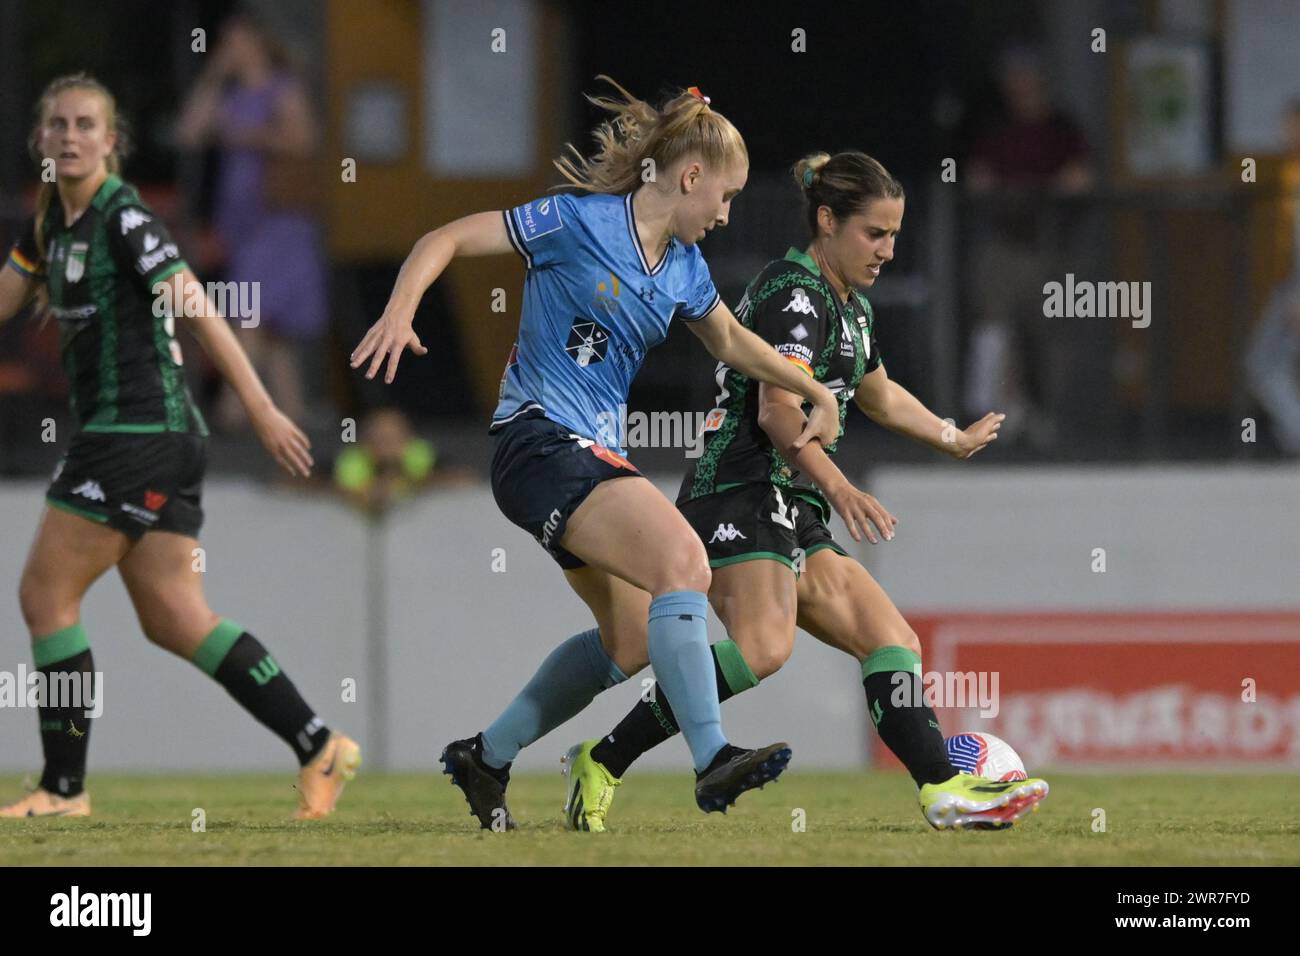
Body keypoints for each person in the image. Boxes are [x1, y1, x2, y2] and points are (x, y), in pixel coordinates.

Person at [350, 79, 842, 829]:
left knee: (633, 635)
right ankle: (711, 760)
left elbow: (736, 343)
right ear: (690, 177)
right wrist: (399, 309)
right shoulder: (574, 221)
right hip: (539, 441)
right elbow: (443, 239)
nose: (726, 213)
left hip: (583, 457)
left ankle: (486, 756)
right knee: (683, 561)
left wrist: (814, 387)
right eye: (727, 195)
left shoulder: (680, 268)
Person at [561, 151, 1050, 831]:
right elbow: (776, 412)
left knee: (890, 637)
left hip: (791, 497)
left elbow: (876, 393)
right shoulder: (797, 295)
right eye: (873, 234)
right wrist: (842, 485)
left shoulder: (849, 306)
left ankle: (943, 789)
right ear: (827, 221)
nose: (887, 249)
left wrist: (950, 436)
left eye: (894, 235)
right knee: (763, 648)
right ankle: (604, 757)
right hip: (739, 485)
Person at [0, 73, 357, 820]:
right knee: (174, 616)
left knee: (45, 595)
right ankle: (320, 743)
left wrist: (260, 406)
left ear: (111, 142)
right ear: (40, 140)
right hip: (153, 441)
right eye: (57, 124)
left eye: (85, 125)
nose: (69, 136)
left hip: (135, 435)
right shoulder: (49, 225)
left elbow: (197, 306)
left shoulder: (122, 217)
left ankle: (63, 790)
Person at [176, 12, 328, 429]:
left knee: (251, 311)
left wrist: (249, 136)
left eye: (237, 41)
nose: (231, 49)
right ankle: (291, 409)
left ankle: (233, 405)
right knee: (267, 322)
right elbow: (190, 131)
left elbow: (304, 140)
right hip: (241, 220)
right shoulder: (228, 94)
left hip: (278, 218)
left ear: (258, 43)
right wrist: (212, 76)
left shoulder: (283, 88)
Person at [1244, 100, 1300, 454]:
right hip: (1288, 281)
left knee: (1264, 362)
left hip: (1296, 286)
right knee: (1266, 361)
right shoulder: (1289, 172)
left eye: (1291, 126)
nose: (1284, 134)